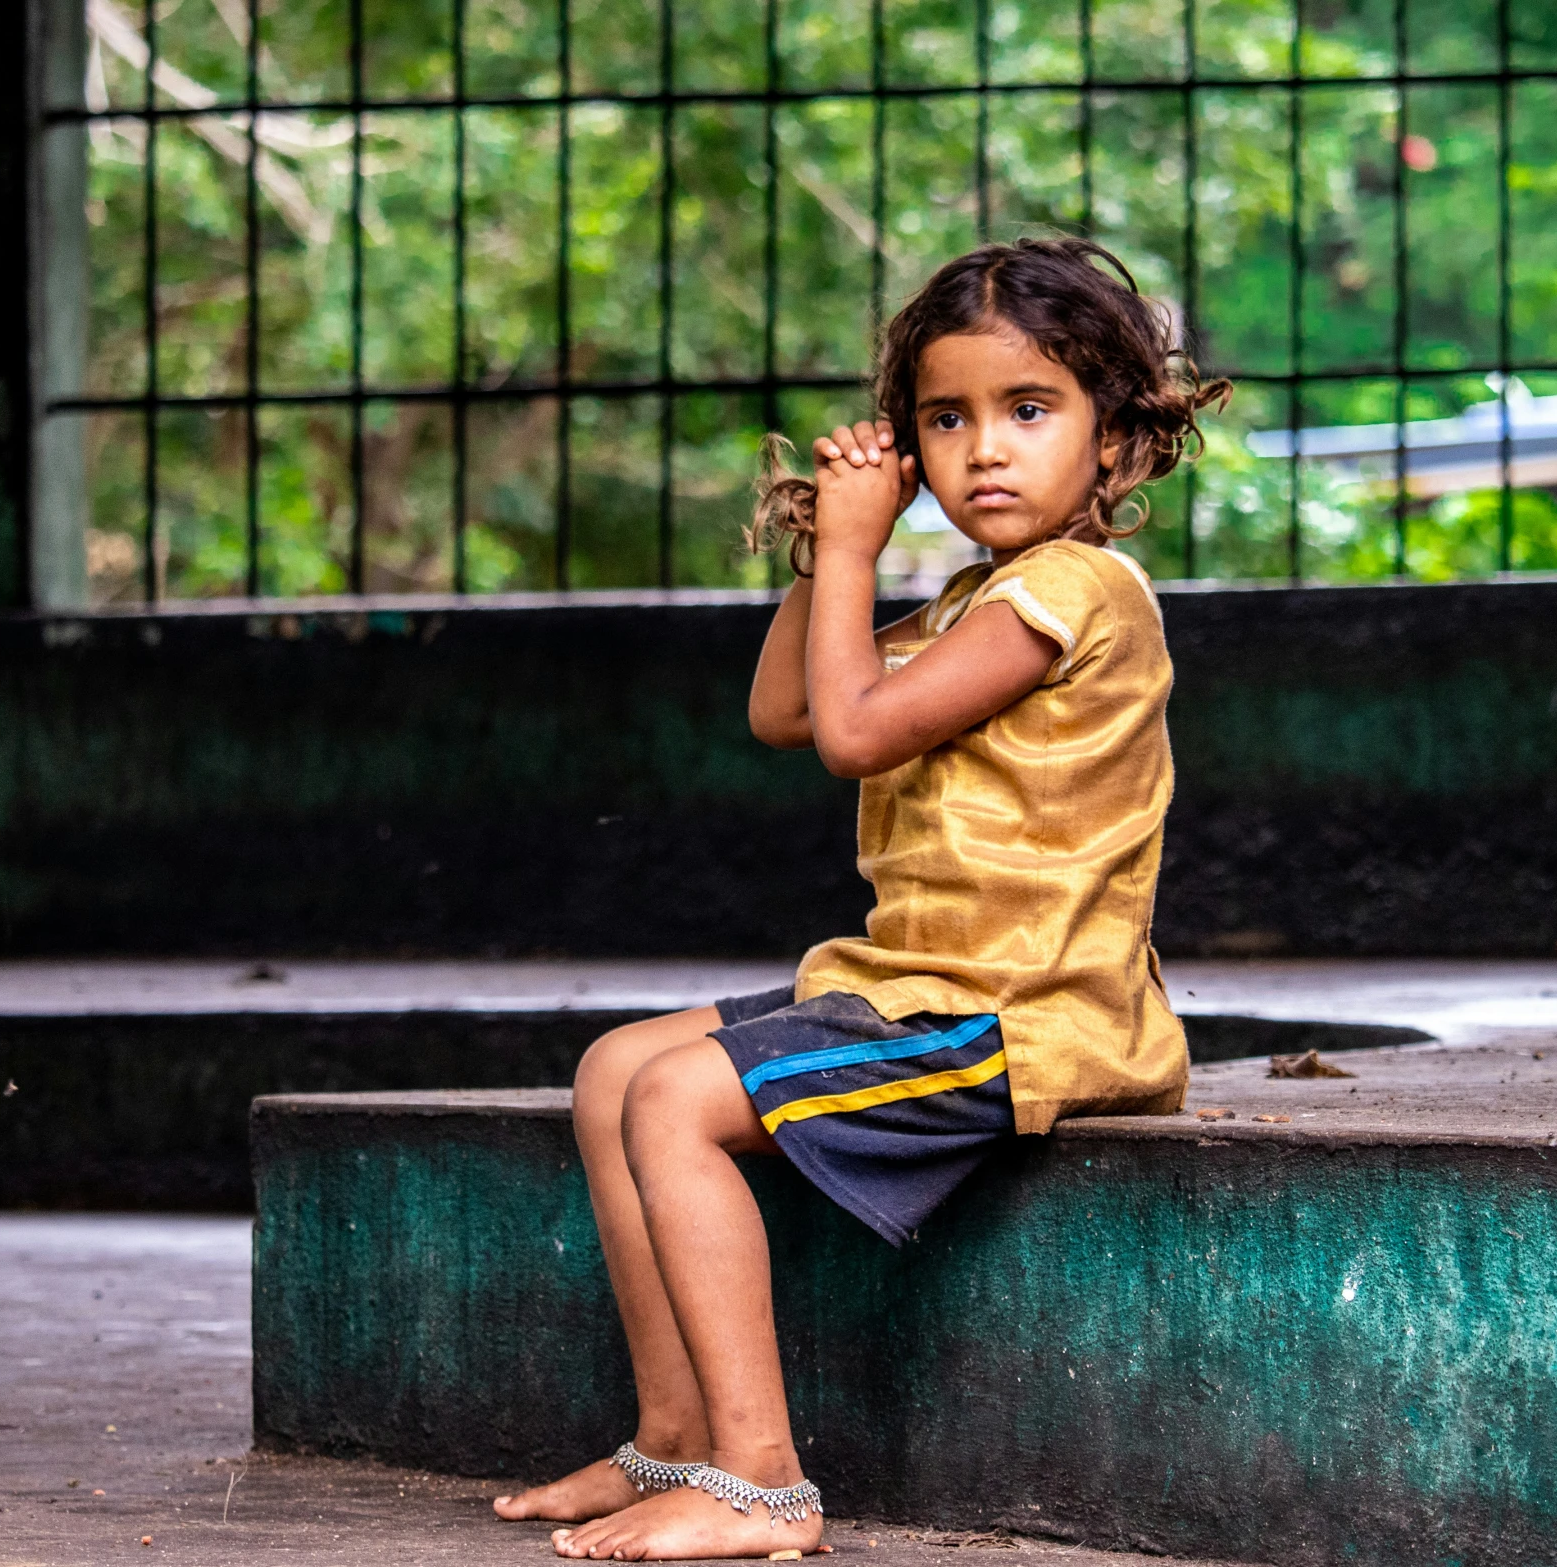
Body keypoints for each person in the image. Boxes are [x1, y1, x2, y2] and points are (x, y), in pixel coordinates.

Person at [493, 236, 1230, 1562]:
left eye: (1028, 409)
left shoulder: (1073, 590)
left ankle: (762, 1482)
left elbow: (853, 734)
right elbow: (784, 706)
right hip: (916, 985)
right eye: (944, 419)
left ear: (1115, 442)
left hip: (1019, 1010)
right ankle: (671, 1439)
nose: (983, 449)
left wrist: (848, 557)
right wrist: (832, 549)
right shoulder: (970, 597)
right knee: (616, 1066)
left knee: (675, 1099)